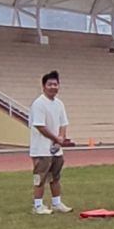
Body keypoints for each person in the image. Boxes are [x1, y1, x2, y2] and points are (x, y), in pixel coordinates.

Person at [28, 70, 71, 215]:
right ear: (44, 86)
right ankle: (38, 205)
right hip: (41, 148)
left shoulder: (59, 104)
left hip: (56, 149)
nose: (53, 87)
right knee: (40, 177)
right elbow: (40, 126)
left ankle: (56, 202)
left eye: (55, 84)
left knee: (55, 177)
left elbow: (63, 123)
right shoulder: (39, 103)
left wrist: (61, 138)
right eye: (50, 84)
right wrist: (55, 138)